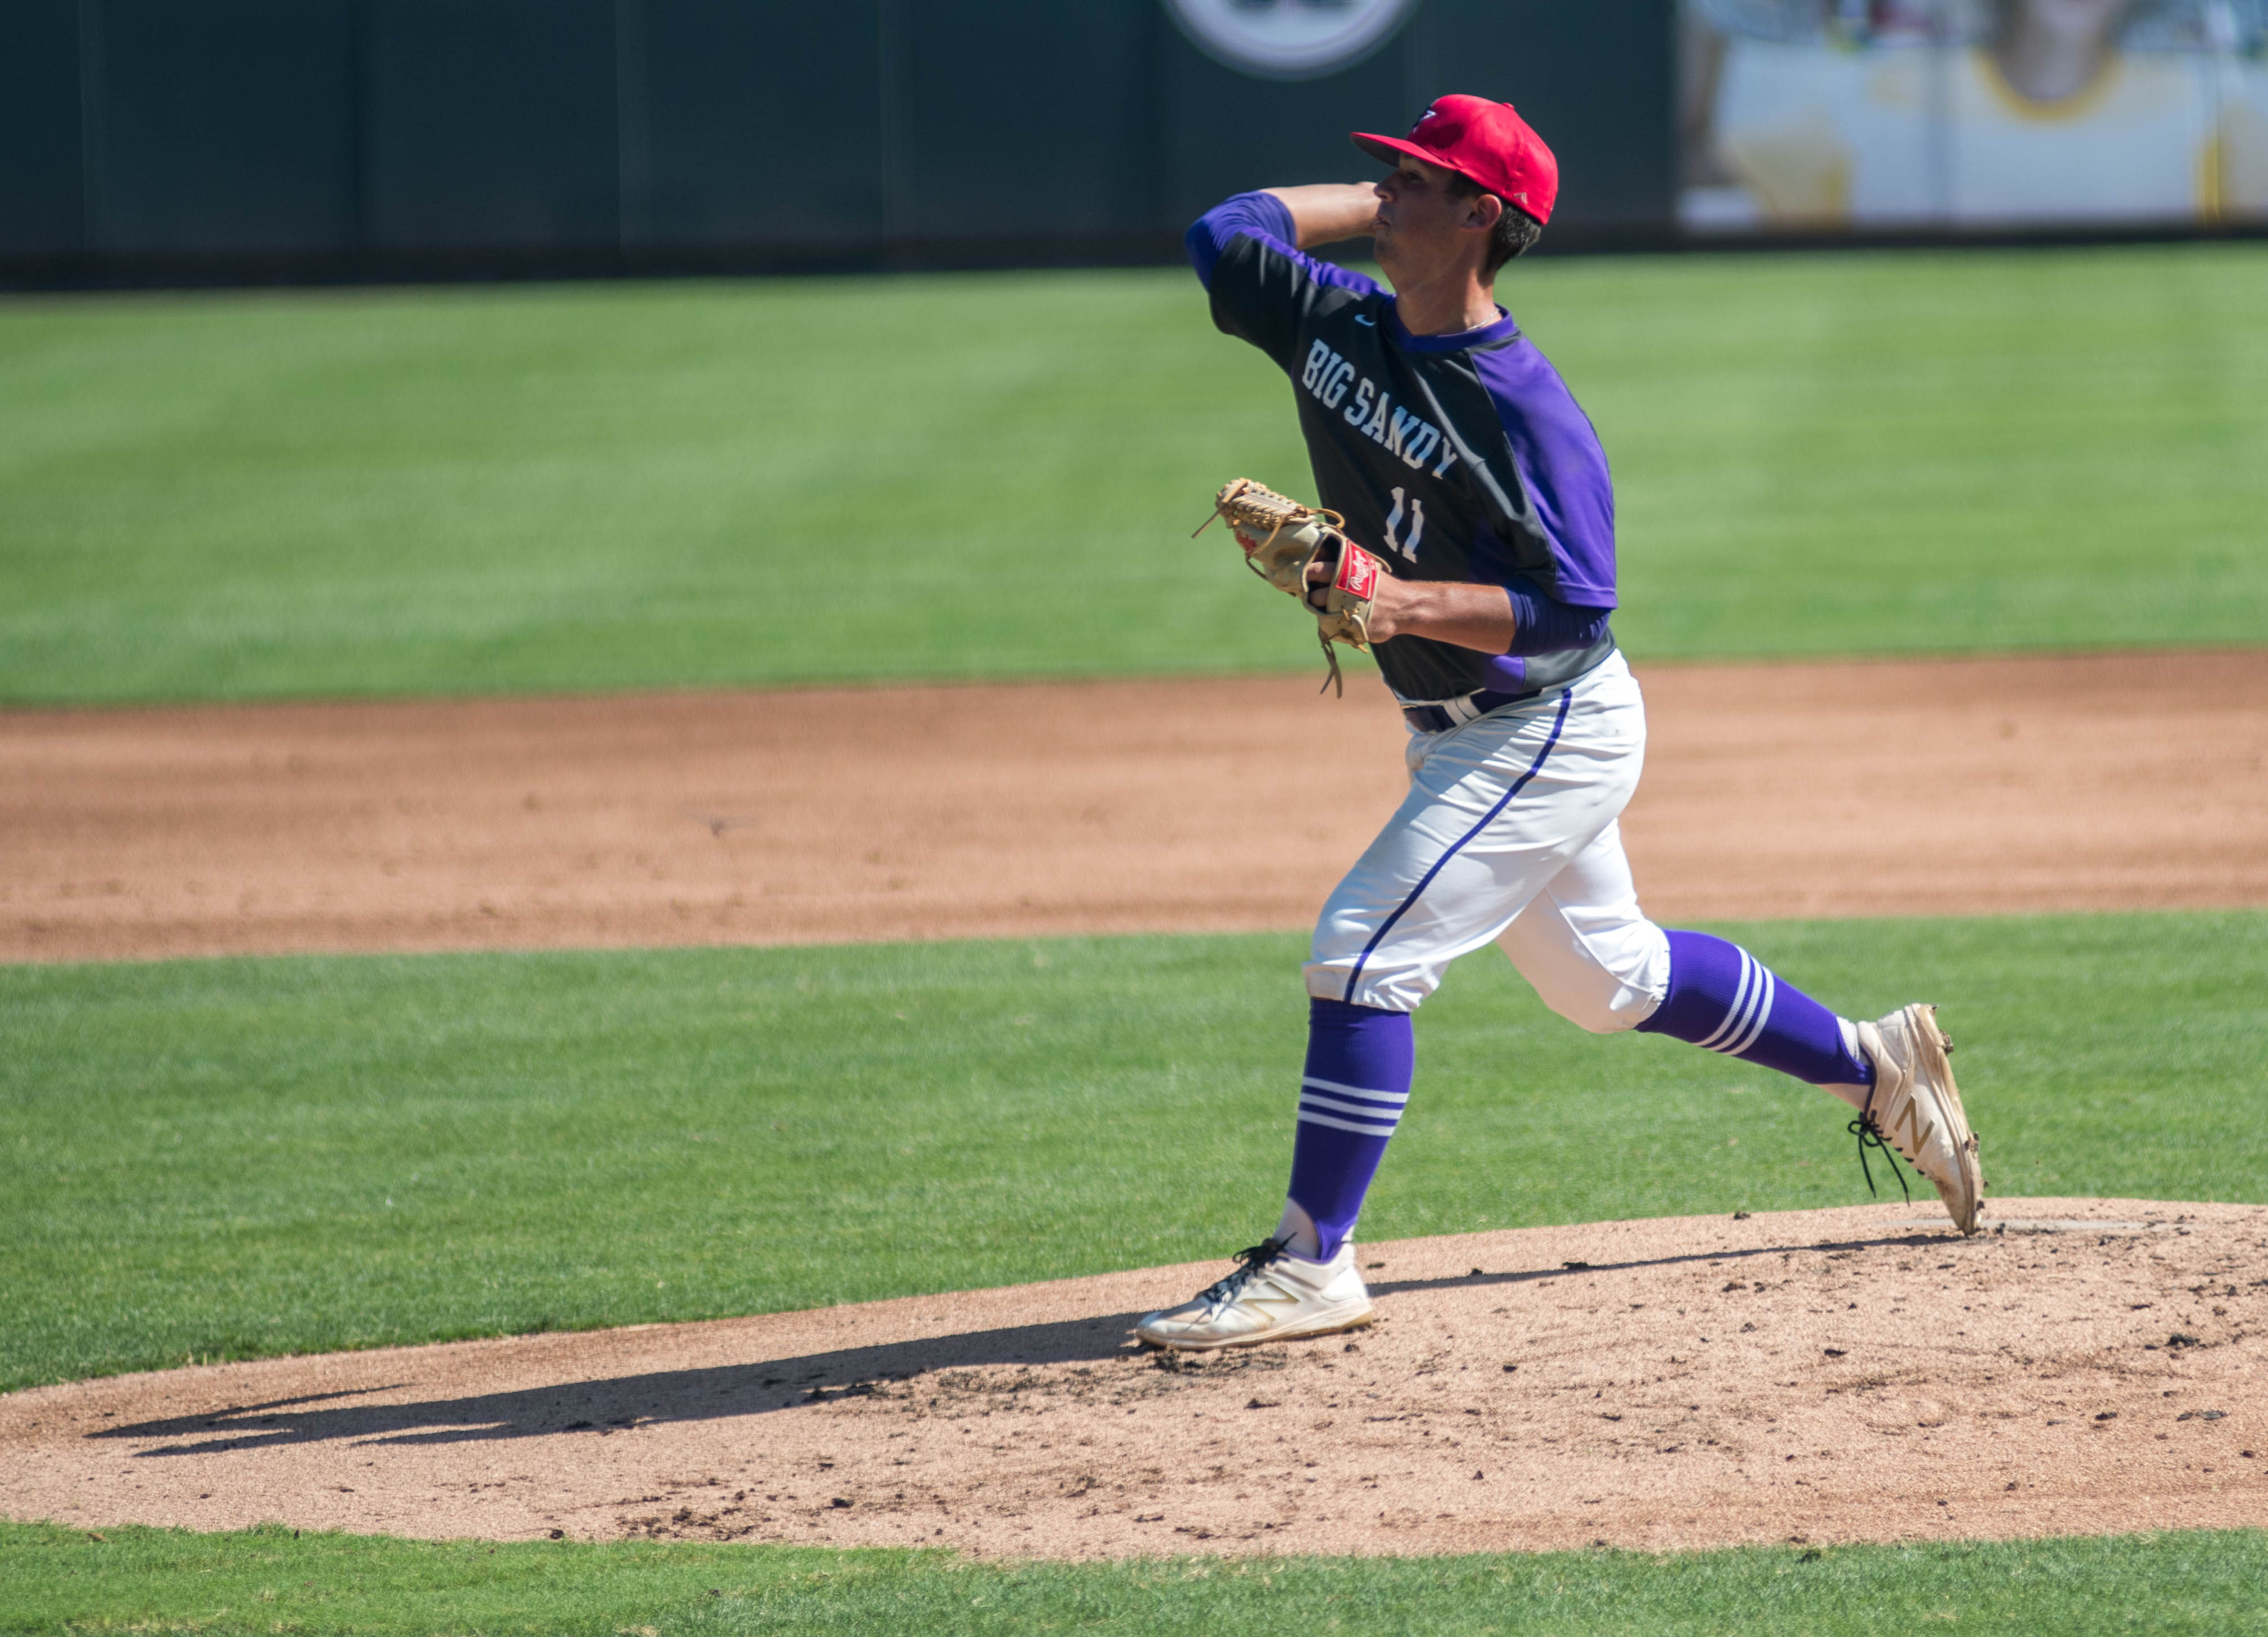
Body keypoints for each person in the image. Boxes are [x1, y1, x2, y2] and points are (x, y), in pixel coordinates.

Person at [1135, 95, 1983, 1352]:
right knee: (1611, 981)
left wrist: (1395, 596)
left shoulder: (1524, 409)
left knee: (1361, 952)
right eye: (1387, 178)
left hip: (1545, 723)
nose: (1383, 198)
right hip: (1457, 726)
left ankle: (1312, 1266)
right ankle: (1874, 1064)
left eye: (1415, 182)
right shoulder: (1335, 322)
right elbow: (1228, 229)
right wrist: (1370, 203)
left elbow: (1572, 609)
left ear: (1482, 215)